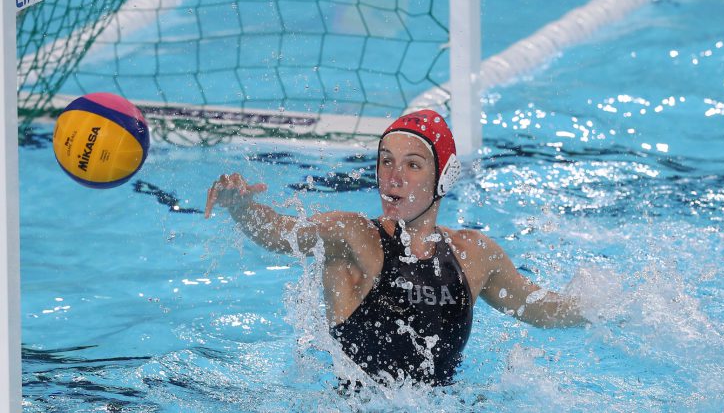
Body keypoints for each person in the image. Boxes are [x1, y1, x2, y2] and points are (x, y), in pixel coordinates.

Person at [204, 109, 586, 386]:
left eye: (413, 165)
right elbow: (281, 232)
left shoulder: (473, 254)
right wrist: (242, 207)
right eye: (386, 162)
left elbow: (543, 310)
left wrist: (609, 308)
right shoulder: (354, 237)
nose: (394, 177)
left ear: (443, 176)